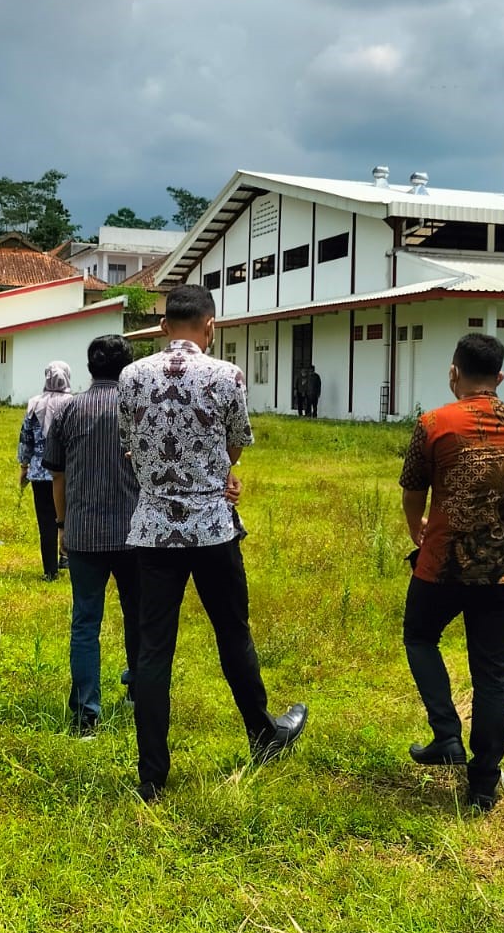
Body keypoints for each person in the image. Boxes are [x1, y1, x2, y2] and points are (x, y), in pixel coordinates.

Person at [118, 283, 308, 802]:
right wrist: (217, 473)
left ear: (163, 326)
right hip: (211, 529)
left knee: (153, 650)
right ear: (210, 326)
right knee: (232, 634)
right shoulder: (227, 375)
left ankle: (152, 775)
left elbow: (130, 449)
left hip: (153, 530)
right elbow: (235, 445)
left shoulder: (131, 376)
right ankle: (263, 735)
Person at [399, 332, 504, 811]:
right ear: (500, 377)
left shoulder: (433, 423)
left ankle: (446, 733)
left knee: (420, 636)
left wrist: (416, 530)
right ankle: (483, 786)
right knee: (492, 678)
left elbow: (413, 491)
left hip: (442, 565)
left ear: (453, 372)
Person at [43, 336, 140, 735]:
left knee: (85, 622)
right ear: (127, 368)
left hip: (83, 533)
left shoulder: (68, 410)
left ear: (89, 367)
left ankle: (86, 713)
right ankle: (139, 691)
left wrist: (61, 526)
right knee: (138, 615)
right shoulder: (137, 408)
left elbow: (57, 475)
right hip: (134, 533)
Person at [18, 361, 72, 581]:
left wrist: (24, 466)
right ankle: (67, 557)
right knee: (68, 516)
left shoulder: (34, 404)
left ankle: (50, 571)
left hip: (40, 473)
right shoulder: (73, 404)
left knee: (46, 521)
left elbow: (26, 439)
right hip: (68, 471)